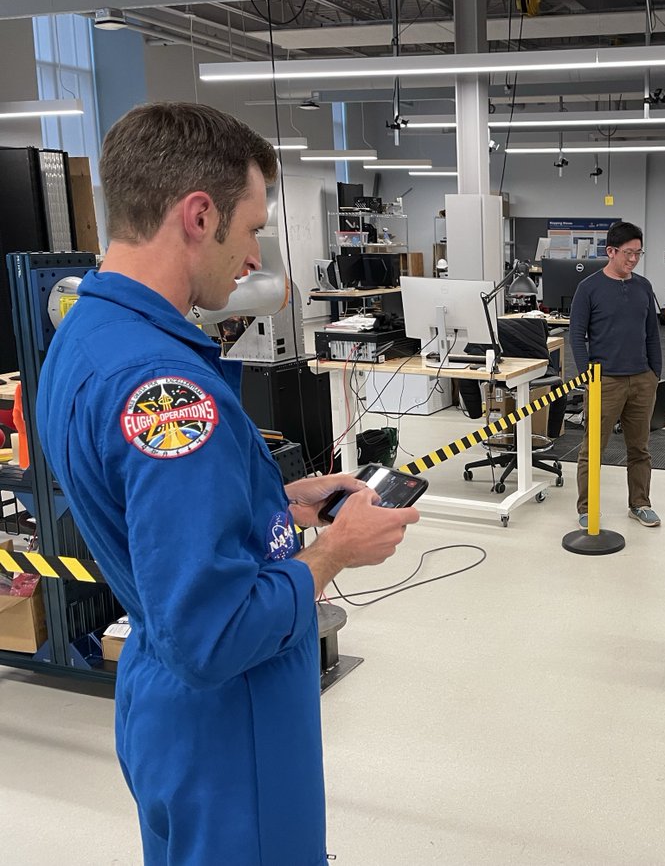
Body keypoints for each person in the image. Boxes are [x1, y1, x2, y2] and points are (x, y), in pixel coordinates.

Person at [37, 102, 417, 865]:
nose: (253, 258)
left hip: (165, 703)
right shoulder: (168, 389)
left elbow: (149, 519)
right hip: (229, 724)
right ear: (198, 215)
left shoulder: (85, 333)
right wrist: (334, 553)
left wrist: (274, 503)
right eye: (250, 229)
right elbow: (211, 633)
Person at [569, 221, 663, 528]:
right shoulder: (589, 288)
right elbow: (576, 335)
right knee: (592, 448)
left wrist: (654, 373)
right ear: (610, 251)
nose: (633, 259)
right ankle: (587, 508)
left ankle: (640, 503)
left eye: (638, 253)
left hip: (641, 379)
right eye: (628, 253)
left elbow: (652, 334)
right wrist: (587, 376)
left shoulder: (644, 287)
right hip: (604, 381)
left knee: (639, 448)